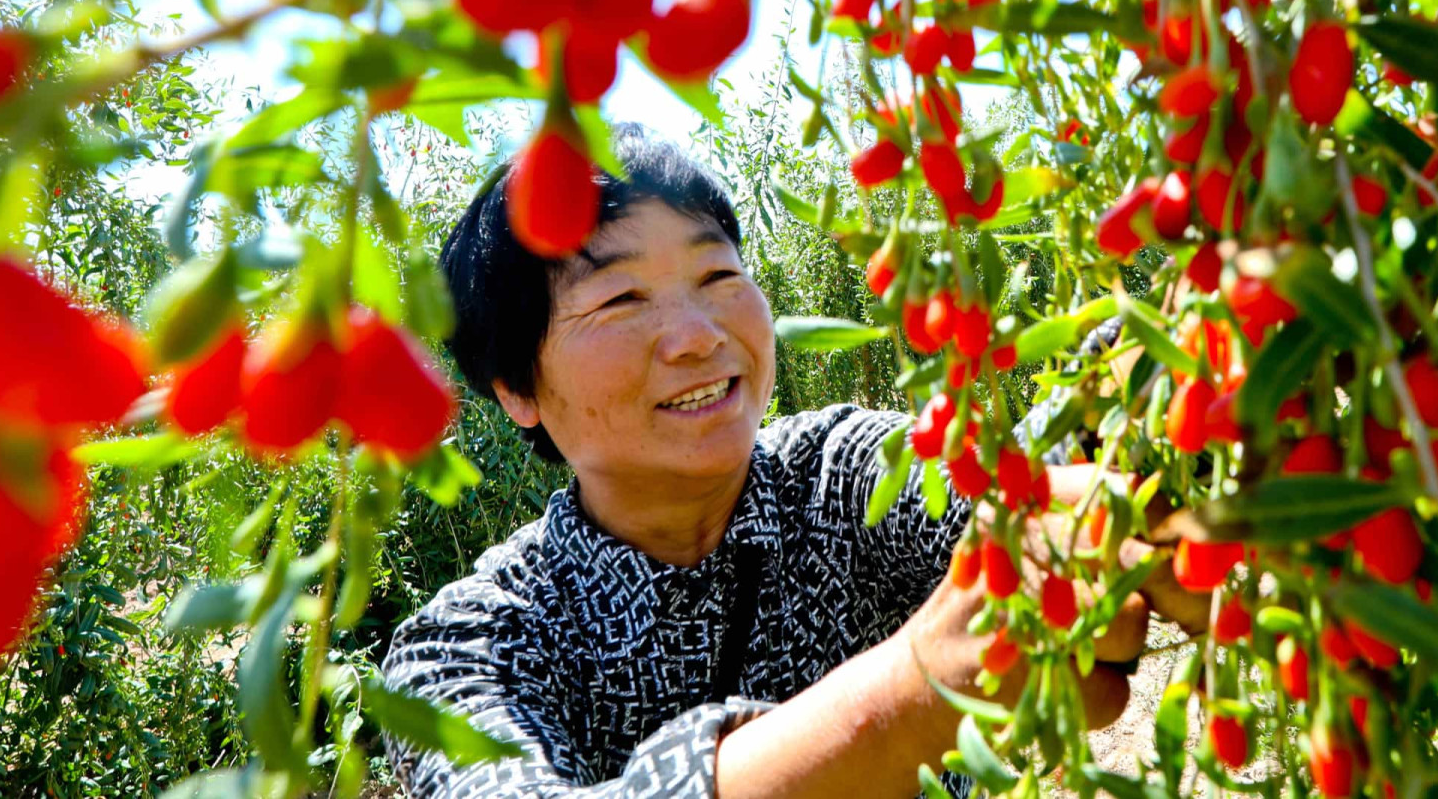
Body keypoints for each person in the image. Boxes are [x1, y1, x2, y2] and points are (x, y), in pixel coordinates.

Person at [382, 125, 1206, 797]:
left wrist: (1160, 371)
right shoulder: (468, 646)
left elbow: (1016, 497)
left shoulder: (844, 475)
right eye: (622, 299)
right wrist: (916, 687)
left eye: (717, 274)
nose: (701, 334)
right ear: (517, 387)